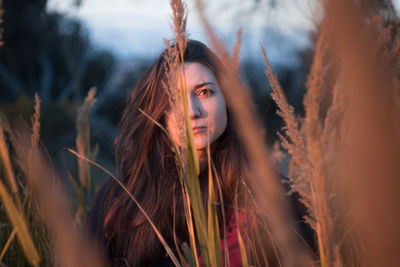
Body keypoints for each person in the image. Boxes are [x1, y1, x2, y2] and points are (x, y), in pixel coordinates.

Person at [86, 40, 313, 266]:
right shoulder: (120, 199)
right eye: (175, 99)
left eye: (205, 92)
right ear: (159, 111)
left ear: (227, 100)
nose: (192, 112)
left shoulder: (273, 195)